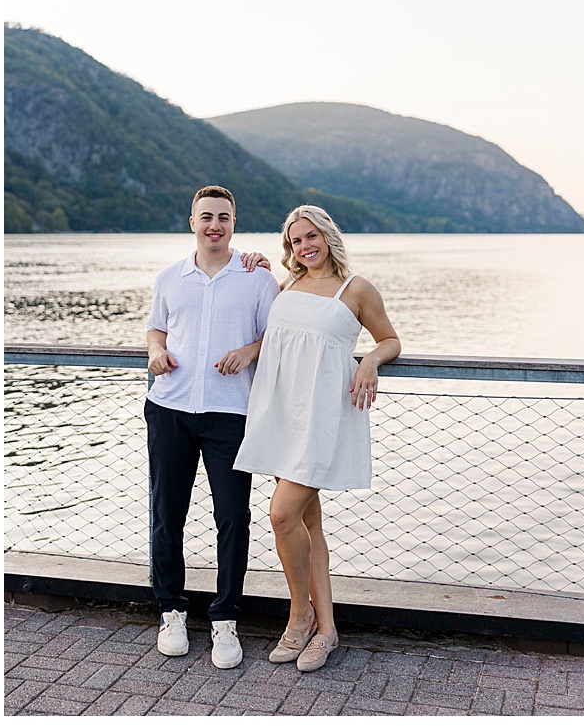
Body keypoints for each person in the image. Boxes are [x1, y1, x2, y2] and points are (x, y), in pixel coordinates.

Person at [234, 205, 400, 672]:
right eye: (295, 240)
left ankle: (299, 615)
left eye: (311, 236)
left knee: (281, 514)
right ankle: (327, 631)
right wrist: (256, 267)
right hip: (285, 413)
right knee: (310, 525)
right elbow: (279, 339)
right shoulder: (289, 284)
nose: (304, 246)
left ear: (327, 236)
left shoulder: (357, 289)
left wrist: (369, 360)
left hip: (326, 417)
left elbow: (391, 340)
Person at [143, 185, 279, 669]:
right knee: (166, 514)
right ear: (192, 222)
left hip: (231, 413)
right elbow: (156, 327)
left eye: (223, 216)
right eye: (206, 216)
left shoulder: (258, 279)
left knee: (233, 518)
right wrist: (156, 352)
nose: (214, 224)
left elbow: (277, 335)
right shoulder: (169, 278)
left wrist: (248, 351)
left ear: (234, 223)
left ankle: (225, 619)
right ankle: (171, 611)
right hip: (170, 408)